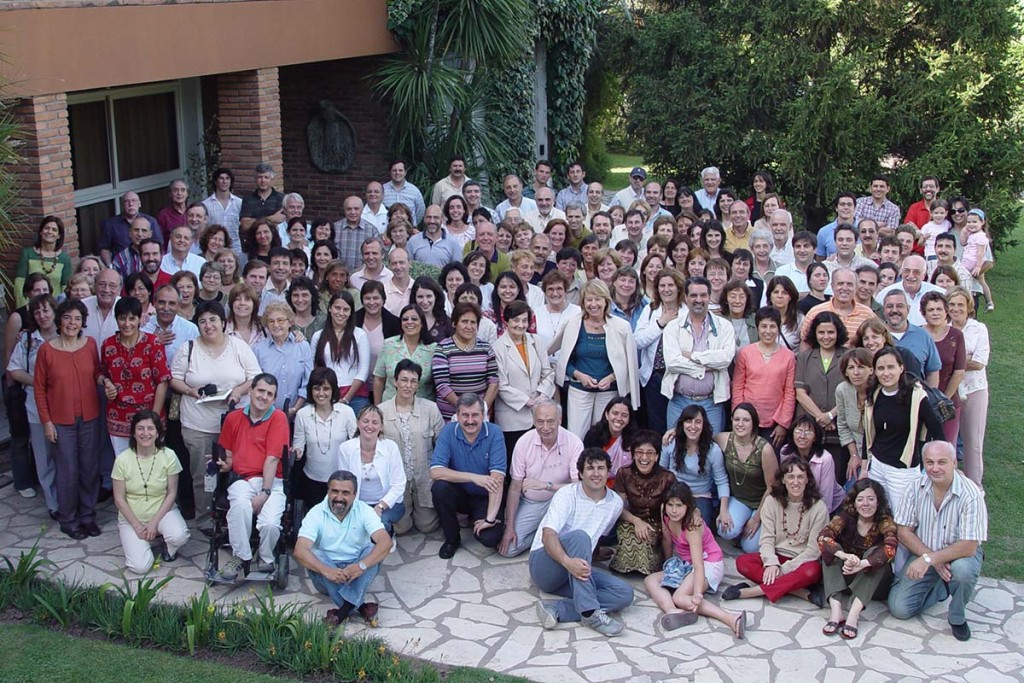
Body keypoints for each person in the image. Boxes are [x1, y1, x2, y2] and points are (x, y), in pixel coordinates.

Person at [887, 442, 988, 642]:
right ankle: (941, 589)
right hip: (925, 551)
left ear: (954, 463)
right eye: (929, 462)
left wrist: (928, 560)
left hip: (961, 554)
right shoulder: (915, 487)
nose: (935, 468)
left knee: (963, 572)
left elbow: (969, 545)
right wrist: (929, 558)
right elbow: (904, 531)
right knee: (899, 608)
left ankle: (957, 616)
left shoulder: (971, 495)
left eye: (942, 462)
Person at [170, 300, 261, 516]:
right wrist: (191, 391)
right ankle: (204, 516)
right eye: (202, 321)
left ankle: (234, 515)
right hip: (198, 423)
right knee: (203, 473)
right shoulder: (188, 348)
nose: (208, 325)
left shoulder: (238, 346)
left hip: (235, 422)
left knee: (237, 470)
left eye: (213, 320)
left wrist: (238, 391)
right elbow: (174, 379)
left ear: (223, 322)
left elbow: (255, 376)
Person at [530, 448, 633, 637]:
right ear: (580, 473)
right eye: (590, 468)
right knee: (580, 537)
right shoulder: (566, 495)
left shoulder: (615, 503)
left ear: (608, 472)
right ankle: (589, 613)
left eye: (601, 468)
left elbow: (599, 535)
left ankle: (556, 608)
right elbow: (548, 536)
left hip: (575, 571)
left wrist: (591, 556)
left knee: (623, 593)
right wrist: (568, 563)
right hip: (546, 566)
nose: (596, 473)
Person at [34, 298, 102, 539]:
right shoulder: (47, 350)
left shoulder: (90, 345)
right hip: (61, 421)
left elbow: (97, 372)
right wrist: (47, 422)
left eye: (77, 318)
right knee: (67, 471)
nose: (72, 323)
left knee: (89, 468)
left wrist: (105, 380)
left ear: (83, 322)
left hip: (90, 417)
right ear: (59, 320)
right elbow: (39, 388)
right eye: (67, 317)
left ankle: (87, 515)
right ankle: (69, 518)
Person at [212, 374, 289, 581]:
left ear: (274, 398)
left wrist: (264, 492)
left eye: (269, 394)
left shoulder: (278, 418)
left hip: (271, 481)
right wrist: (224, 463)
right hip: (241, 480)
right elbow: (228, 455)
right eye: (261, 391)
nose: (264, 397)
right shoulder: (233, 418)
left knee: (271, 524)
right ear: (251, 391)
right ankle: (242, 556)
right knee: (239, 506)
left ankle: (265, 556)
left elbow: (272, 459)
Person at [645, 482, 747, 637]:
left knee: (680, 597)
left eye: (679, 505)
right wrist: (669, 566)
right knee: (651, 580)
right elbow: (667, 539)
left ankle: (732, 618)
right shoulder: (664, 513)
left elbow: (699, 565)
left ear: (688, 506)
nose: (673, 510)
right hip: (686, 564)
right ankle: (673, 611)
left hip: (708, 564)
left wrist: (697, 594)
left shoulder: (692, 526)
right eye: (670, 504)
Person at [294, 470, 393, 627]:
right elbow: (300, 550)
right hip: (326, 577)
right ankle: (360, 607)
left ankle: (342, 613)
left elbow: (386, 542)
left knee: (371, 549)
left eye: (345, 493)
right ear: (328, 491)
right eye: (335, 491)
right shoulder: (315, 513)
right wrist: (327, 570)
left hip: (356, 571)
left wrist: (361, 566)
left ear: (354, 494)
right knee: (316, 554)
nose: (339, 498)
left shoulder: (365, 510)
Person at [724, 459, 829, 605]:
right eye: (791, 477)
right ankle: (799, 592)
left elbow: (813, 551)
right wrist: (772, 563)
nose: (796, 482)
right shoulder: (771, 502)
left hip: (801, 562)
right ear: (783, 480)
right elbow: (766, 540)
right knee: (743, 562)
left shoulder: (819, 507)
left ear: (807, 480)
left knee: (813, 571)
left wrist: (783, 569)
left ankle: (748, 592)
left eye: (800, 477)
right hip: (776, 556)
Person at [550, 279, 640, 435]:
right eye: (589, 300)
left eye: (597, 299)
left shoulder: (621, 326)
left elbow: (628, 363)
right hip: (579, 390)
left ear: (606, 301)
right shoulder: (573, 323)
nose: (593, 304)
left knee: (604, 435)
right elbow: (565, 361)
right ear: (583, 302)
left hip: (608, 392)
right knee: (576, 434)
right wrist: (579, 375)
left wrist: (611, 378)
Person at [862, 347, 944, 512]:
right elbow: (868, 433)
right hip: (877, 465)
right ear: (874, 372)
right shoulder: (874, 394)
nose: (886, 373)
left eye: (891, 367)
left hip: (902, 471)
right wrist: (865, 468)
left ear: (901, 368)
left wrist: (943, 461)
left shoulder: (916, 396)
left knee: (903, 518)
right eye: (881, 368)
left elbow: (936, 428)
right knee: (878, 515)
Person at [498, 399, 583, 558]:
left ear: (560, 419)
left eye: (550, 421)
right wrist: (509, 527)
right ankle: (546, 536)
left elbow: (578, 487)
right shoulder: (523, 442)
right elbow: (515, 488)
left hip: (563, 502)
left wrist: (546, 485)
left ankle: (551, 538)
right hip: (533, 502)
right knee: (509, 549)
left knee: (574, 542)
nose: (545, 427)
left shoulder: (574, 442)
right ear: (533, 421)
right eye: (540, 421)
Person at [111, 410, 191, 573]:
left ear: (157, 433)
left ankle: (168, 547)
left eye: (150, 428)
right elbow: (119, 499)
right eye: (140, 428)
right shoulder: (122, 459)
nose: (145, 433)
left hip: (162, 513)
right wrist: (137, 526)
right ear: (133, 432)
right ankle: (142, 540)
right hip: (132, 518)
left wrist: (154, 523)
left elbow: (171, 493)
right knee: (140, 567)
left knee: (179, 535)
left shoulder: (169, 456)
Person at [817, 479, 897, 640]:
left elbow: (891, 547)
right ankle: (836, 611)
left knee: (876, 553)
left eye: (870, 499)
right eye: (860, 499)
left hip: (874, 584)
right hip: (846, 576)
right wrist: (844, 555)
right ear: (854, 502)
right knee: (831, 550)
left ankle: (853, 614)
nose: (865, 504)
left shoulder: (885, 521)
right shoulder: (846, 517)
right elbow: (823, 536)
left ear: (878, 501)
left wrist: (862, 564)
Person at [429, 393, 507, 558]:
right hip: (461, 493)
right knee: (439, 488)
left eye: (475, 415)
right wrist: (474, 477)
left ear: (483, 415)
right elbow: (436, 471)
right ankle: (452, 539)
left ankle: (479, 518)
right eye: (465, 415)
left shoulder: (494, 432)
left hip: (485, 496)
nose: (470, 420)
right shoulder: (449, 430)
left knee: (489, 538)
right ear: (457, 415)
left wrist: (490, 519)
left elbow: (497, 479)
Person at [6, 294, 60, 514]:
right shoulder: (28, 340)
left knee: (66, 457)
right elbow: (14, 369)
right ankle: (53, 504)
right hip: (36, 408)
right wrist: (38, 383)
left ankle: (69, 499)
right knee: (44, 458)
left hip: (64, 406)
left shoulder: (67, 334)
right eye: (37, 312)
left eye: (46, 310)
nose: (42, 315)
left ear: (55, 312)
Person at [661, 276, 736, 433]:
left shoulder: (725, 326)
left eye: (703, 295)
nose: (698, 300)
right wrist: (705, 367)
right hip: (679, 401)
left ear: (709, 297)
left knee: (711, 449)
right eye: (694, 295)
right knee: (675, 447)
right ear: (686, 298)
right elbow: (672, 363)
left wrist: (693, 356)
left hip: (711, 403)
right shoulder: (673, 327)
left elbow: (726, 359)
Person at [379, 360, 444, 535]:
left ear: (418, 384)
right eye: (404, 380)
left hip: (423, 477)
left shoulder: (431, 409)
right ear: (395, 381)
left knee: (427, 526)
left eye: (413, 381)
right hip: (397, 480)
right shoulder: (381, 411)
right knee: (401, 528)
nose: (408, 385)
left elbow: (442, 445)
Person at [101, 297, 171, 455]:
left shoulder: (152, 343)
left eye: (132, 318)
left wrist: (152, 419)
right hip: (118, 416)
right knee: (124, 468)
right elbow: (100, 372)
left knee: (150, 467)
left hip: (148, 414)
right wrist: (106, 382)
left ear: (140, 319)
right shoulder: (108, 344)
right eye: (122, 318)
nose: (127, 324)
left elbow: (163, 381)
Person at [608, 429, 677, 575]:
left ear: (657, 456)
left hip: (657, 523)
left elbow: (669, 513)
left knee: (645, 545)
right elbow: (618, 507)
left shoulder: (667, 478)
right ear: (633, 454)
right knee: (630, 540)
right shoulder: (624, 473)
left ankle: (656, 556)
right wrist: (636, 521)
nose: (644, 457)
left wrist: (668, 554)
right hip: (631, 520)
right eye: (639, 452)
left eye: (650, 453)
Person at [290, 367, 357, 514]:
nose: (321, 393)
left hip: (342, 481)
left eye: (326, 388)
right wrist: (296, 451)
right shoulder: (303, 414)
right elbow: (298, 445)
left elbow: (356, 444)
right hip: (312, 479)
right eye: (317, 388)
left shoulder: (346, 412)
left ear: (333, 390)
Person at [494, 300, 555, 455]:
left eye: (524, 320)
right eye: (515, 320)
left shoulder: (537, 341)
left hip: (539, 413)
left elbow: (548, 371)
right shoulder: (497, 347)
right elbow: (501, 385)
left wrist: (542, 395)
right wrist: (526, 401)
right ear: (506, 321)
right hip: (512, 418)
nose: (520, 325)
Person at [715, 403, 779, 553]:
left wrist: (757, 518)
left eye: (746, 420)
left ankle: (755, 527)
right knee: (725, 531)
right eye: (736, 419)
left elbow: (773, 486)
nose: (740, 424)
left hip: (762, 503)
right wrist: (674, 431)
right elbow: (700, 437)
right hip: (739, 499)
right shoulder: (724, 439)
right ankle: (740, 526)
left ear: (754, 423)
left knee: (751, 548)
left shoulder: (765, 449)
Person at [660, 404, 733, 532]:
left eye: (698, 422)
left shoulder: (713, 450)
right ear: (682, 424)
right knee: (673, 527)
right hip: (675, 493)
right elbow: (661, 472)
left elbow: (721, 481)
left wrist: (724, 510)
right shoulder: (671, 443)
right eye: (688, 421)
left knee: (698, 528)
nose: (693, 426)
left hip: (701, 495)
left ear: (703, 424)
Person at [336, 406, 407, 536]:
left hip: (387, 504)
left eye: (375, 422)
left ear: (381, 427)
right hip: (357, 503)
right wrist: (354, 510)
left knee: (378, 523)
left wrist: (380, 506)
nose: (370, 426)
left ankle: (389, 534)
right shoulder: (345, 448)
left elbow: (399, 484)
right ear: (358, 423)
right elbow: (343, 483)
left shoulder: (390, 447)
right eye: (365, 421)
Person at [732, 307, 796, 448]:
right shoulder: (745, 353)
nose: (768, 331)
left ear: (778, 328)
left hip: (774, 422)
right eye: (764, 326)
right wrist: (739, 417)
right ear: (757, 327)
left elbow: (790, 392)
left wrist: (783, 423)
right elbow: (737, 387)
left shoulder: (789, 356)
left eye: (772, 326)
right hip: (747, 420)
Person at [635, 268, 686, 434]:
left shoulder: (687, 312)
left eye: (671, 285)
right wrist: (660, 323)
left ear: (679, 287)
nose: (666, 289)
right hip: (654, 377)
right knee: (656, 426)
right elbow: (638, 341)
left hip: (679, 377)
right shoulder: (650, 310)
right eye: (662, 285)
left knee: (678, 425)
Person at [794, 311, 847, 467]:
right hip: (809, 425)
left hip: (838, 427)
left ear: (838, 333)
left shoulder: (848, 356)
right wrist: (821, 417)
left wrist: (831, 415)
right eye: (821, 332)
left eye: (830, 332)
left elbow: (852, 392)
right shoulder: (805, 357)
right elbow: (800, 393)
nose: (826, 336)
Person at [947, 288, 988, 487]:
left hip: (974, 389)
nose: (956, 309)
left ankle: (975, 486)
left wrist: (955, 360)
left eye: (960, 305)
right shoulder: (942, 328)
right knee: (948, 440)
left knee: (973, 441)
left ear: (968, 307)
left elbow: (980, 362)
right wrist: (965, 359)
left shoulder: (978, 329)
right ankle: (950, 482)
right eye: (952, 304)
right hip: (948, 390)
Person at [432, 302, 498, 422]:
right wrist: (464, 411)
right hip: (451, 416)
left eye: (473, 322)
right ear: (454, 323)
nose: (469, 326)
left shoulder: (486, 347)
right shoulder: (443, 348)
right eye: (464, 321)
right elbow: (442, 385)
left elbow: (493, 380)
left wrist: (482, 408)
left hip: (480, 417)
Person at [310, 291, 371, 415]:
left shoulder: (360, 335)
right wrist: (325, 393)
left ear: (350, 312)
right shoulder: (318, 336)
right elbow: (313, 367)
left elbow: (363, 371)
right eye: (337, 308)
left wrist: (346, 399)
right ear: (330, 309)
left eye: (346, 309)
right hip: (326, 395)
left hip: (356, 397)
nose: (341, 313)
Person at [921, 291, 966, 444]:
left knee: (945, 448)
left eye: (939, 309)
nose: (935, 313)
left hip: (948, 402)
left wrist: (943, 400)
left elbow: (959, 371)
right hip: (920, 401)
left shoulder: (956, 335)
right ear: (923, 313)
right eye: (931, 310)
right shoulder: (917, 334)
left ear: (946, 311)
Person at [253, 302, 312, 414]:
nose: (276, 325)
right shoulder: (259, 349)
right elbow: (256, 384)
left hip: (299, 413)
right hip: (267, 413)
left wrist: (295, 409)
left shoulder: (302, 346)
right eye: (271, 321)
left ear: (290, 322)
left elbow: (307, 382)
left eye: (280, 320)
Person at [779, 416, 845, 513]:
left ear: (815, 437)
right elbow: (785, 483)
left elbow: (826, 497)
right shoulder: (785, 452)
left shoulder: (825, 458)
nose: (802, 436)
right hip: (801, 503)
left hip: (828, 506)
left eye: (808, 432)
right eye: (798, 431)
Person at [372, 304, 436, 404]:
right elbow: (379, 379)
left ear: (422, 323)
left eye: (414, 319)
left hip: (422, 408)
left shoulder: (433, 348)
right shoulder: (389, 344)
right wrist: (377, 407)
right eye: (405, 319)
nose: (409, 322)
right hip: (390, 406)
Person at [834, 348, 873, 485]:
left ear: (871, 369)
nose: (856, 372)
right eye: (851, 367)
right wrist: (854, 455)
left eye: (861, 367)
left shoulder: (879, 392)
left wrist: (865, 465)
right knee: (851, 491)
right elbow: (843, 425)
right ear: (845, 371)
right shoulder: (842, 390)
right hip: (856, 451)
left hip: (879, 456)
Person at [15, 215, 73, 306]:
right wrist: (24, 307)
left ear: (59, 236)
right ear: (41, 232)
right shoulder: (27, 253)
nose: (49, 232)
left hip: (55, 306)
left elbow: (65, 288)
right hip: (32, 306)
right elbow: (19, 283)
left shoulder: (64, 258)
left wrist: (61, 308)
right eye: (46, 228)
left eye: (54, 230)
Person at [409, 276, 452, 344]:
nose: (425, 301)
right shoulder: (408, 321)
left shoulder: (447, 323)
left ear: (436, 296)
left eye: (429, 296)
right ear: (414, 298)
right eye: (420, 297)